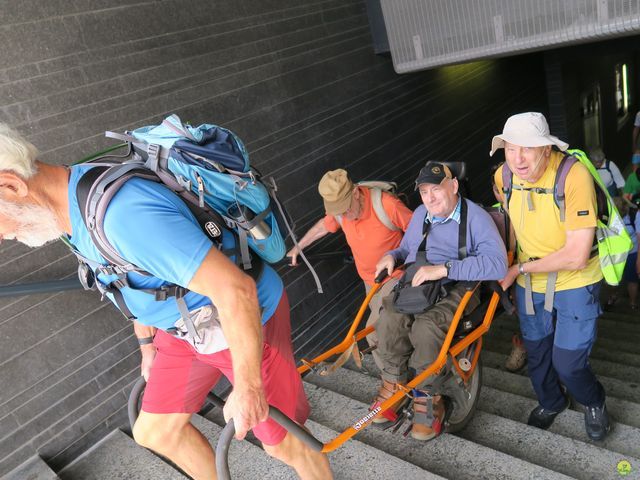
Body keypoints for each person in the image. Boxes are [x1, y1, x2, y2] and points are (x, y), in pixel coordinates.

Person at [0, 123, 332, 480]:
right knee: (153, 432)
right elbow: (127, 280)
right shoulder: (74, 206)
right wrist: (147, 347)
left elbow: (236, 291)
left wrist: (249, 387)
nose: (2, 235)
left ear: (11, 185)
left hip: (240, 320)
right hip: (185, 328)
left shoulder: (126, 217)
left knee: (282, 442)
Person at [492, 112, 610, 441]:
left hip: (576, 279)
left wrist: (519, 269)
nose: (518, 158)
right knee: (538, 352)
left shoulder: (573, 177)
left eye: (527, 148)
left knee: (569, 362)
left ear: (547, 149)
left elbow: (575, 255)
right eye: (510, 148)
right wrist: (507, 259)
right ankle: (552, 401)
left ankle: (593, 400)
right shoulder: (503, 177)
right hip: (530, 282)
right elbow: (511, 220)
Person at [372, 162, 507, 441]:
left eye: (436, 189)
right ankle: (394, 383)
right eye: (424, 192)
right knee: (387, 318)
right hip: (419, 281)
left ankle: (428, 396)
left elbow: (497, 264)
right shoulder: (422, 213)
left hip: (458, 284)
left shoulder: (476, 218)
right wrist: (392, 256)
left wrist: (445, 268)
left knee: (426, 328)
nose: (430, 198)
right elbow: (408, 248)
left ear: (454, 186)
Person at [287, 169, 413, 368]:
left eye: (345, 209)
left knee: (375, 333)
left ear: (356, 192)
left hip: (394, 277)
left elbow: (418, 231)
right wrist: (298, 247)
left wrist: (401, 257)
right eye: (338, 211)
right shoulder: (340, 213)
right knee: (391, 330)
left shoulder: (387, 205)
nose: (343, 215)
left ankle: (394, 382)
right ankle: (401, 365)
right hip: (369, 282)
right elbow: (323, 225)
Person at [490, 163, 527, 372]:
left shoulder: (532, 208)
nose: (505, 193)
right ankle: (522, 346)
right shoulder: (491, 216)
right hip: (509, 275)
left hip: (538, 273)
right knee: (523, 315)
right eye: (500, 189)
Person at [606, 198, 640, 310]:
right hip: (624, 253)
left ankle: (628, 301)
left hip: (627, 254)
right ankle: (631, 302)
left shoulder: (633, 217)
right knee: (628, 279)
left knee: (622, 279)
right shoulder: (609, 218)